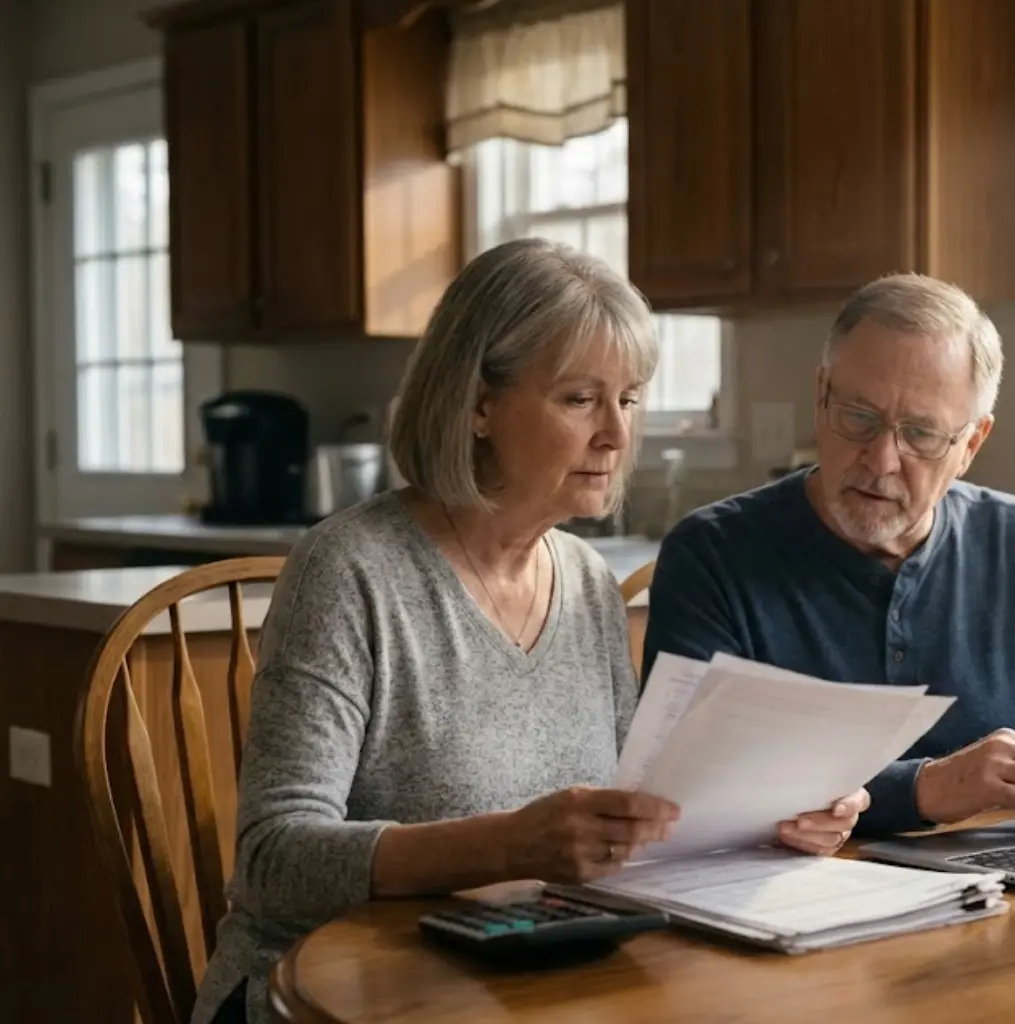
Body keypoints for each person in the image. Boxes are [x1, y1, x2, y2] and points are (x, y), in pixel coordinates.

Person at [191, 239, 869, 1024]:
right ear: (478, 403)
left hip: (518, 983)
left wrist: (771, 822)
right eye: (580, 399)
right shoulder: (349, 571)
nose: (616, 435)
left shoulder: (584, 583)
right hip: (320, 995)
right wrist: (506, 845)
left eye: (630, 398)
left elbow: (621, 823)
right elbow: (273, 860)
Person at [642, 273, 1015, 839]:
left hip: (996, 897)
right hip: (792, 904)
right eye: (859, 417)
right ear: (821, 396)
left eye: (920, 434)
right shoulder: (710, 556)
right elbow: (689, 796)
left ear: (971, 445)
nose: (881, 460)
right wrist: (926, 788)